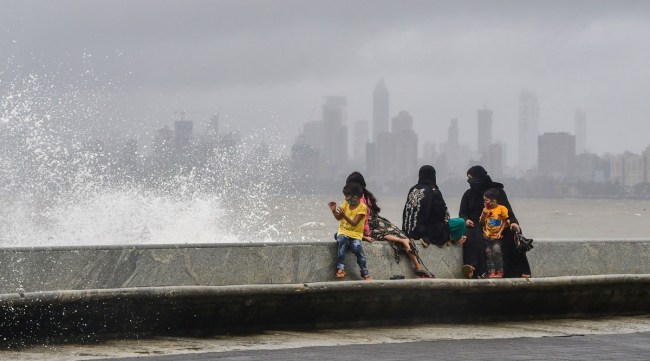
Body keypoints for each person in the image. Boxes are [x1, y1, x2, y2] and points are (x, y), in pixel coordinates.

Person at [345, 171, 433, 278]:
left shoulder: (357, 198)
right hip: (380, 221)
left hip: (370, 224)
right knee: (398, 233)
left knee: (378, 234)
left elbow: (360, 220)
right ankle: (418, 267)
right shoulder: (367, 195)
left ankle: (402, 241)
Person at [459, 165, 531, 279]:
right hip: (476, 223)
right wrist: (466, 220)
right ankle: (474, 268)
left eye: (471, 178)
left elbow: (508, 211)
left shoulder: (497, 192)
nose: (469, 181)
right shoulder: (468, 194)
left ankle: (521, 270)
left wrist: (513, 222)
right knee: (472, 234)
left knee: (512, 232)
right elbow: (462, 214)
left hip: (497, 222)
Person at [328, 182, 372, 281]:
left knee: (357, 249)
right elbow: (339, 218)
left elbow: (354, 223)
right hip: (343, 231)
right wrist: (334, 211)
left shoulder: (362, 207)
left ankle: (365, 273)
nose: (346, 198)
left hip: (355, 234)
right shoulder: (345, 203)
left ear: (355, 198)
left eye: (347, 196)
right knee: (342, 241)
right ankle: (340, 268)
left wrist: (344, 215)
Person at [402, 165, 451, 246]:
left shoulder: (413, 189)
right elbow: (442, 214)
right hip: (423, 233)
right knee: (458, 223)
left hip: (408, 233)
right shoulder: (433, 191)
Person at [479, 188, 509, 278]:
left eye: (486, 200)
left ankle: (499, 271)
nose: (485, 202)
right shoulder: (485, 210)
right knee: (488, 252)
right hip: (487, 235)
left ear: (493, 201)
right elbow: (481, 222)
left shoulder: (501, 209)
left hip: (496, 237)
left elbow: (505, 221)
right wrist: (484, 214)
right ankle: (491, 271)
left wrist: (500, 232)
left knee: (497, 251)